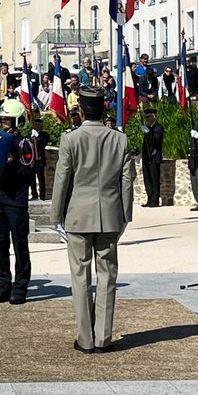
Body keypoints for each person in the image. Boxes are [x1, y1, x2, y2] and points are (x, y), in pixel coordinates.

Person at [50, 86, 134, 353]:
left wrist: (56, 214)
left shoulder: (71, 139)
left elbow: (62, 178)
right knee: (107, 275)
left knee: (80, 275)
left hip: (78, 213)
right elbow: (127, 181)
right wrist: (126, 214)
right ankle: (103, 338)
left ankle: (85, 338)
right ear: (103, 110)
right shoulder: (119, 139)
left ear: (82, 110)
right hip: (109, 212)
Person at [0, 98, 34, 304]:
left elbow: (27, 171)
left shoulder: (25, 143)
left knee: (20, 245)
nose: (4, 123)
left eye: (8, 120)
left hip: (16, 200)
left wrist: (12, 164)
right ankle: (3, 285)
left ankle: (20, 287)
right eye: (2, 119)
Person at [140, 107, 164, 207]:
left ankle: (155, 200)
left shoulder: (158, 128)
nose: (147, 119)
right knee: (147, 179)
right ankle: (149, 198)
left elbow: (156, 141)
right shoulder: (147, 127)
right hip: (147, 157)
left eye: (148, 117)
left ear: (154, 117)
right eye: (146, 117)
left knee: (154, 179)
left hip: (154, 156)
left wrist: (148, 133)